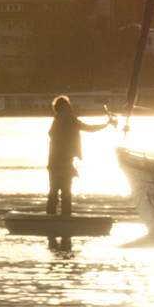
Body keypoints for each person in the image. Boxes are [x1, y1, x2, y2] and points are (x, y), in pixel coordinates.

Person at [43, 92, 106, 222]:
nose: (70, 107)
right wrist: (106, 124)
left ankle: (51, 219)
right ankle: (65, 219)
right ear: (65, 107)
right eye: (68, 105)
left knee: (54, 191)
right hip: (63, 163)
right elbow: (89, 128)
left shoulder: (57, 119)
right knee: (65, 192)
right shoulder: (69, 118)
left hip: (54, 163)